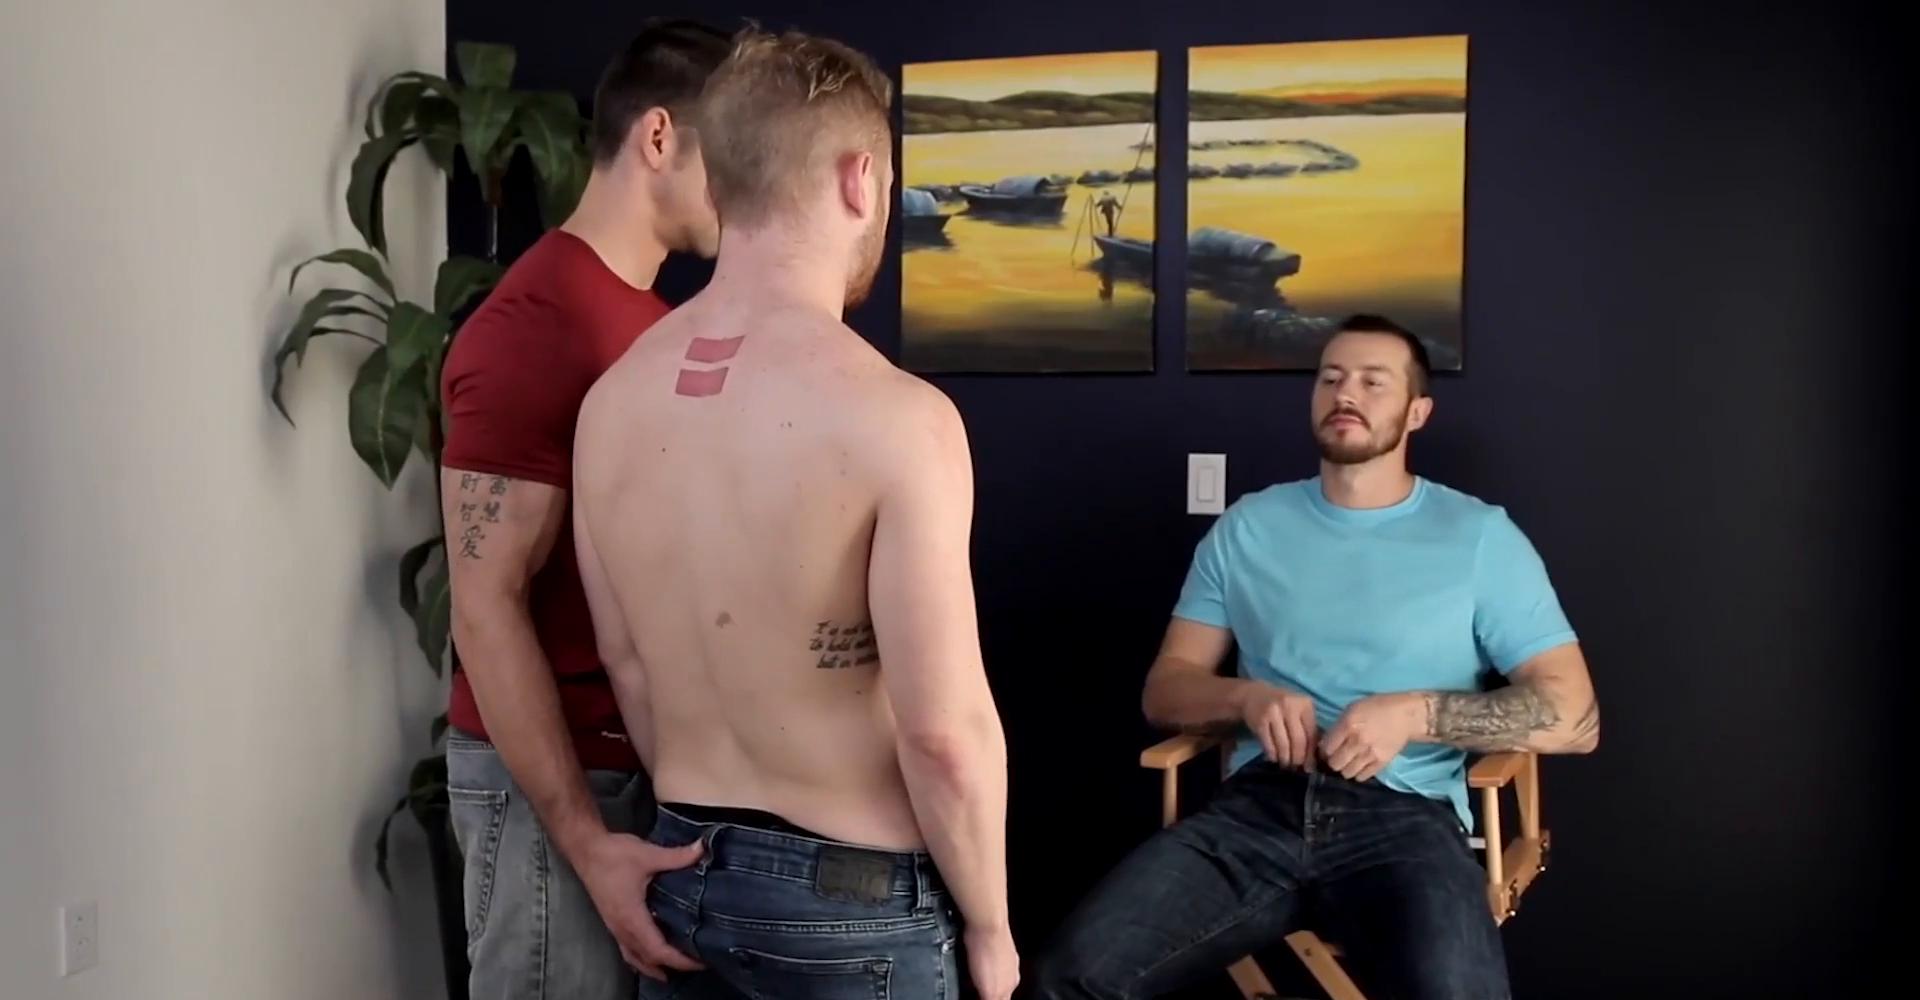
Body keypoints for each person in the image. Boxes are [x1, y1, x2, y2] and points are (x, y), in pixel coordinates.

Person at [570, 27, 1018, 1000]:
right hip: (853, 906)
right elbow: (943, 733)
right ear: (862, 180)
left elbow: (629, 664)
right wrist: (991, 928)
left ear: (718, 180)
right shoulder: (900, 419)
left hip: (683, 878)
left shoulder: (610, 405)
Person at [1030, 316, 1600, 1000]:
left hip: (1405, 820)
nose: (1345, 394)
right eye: (1331, 379)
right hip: (1255, 814)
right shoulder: (1248, 527)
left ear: (1417, 412)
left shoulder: (1480, 537)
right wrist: (1246, 699)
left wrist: (1414, 715)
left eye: (1372, 382)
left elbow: (1576, 716)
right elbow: (1166, 689)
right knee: (1067, 976)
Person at [437, 18, 734, 1000]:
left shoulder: (648, 321)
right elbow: (484, 602)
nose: (743, 187)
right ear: (659, 137)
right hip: (556, 789)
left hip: (632, 771)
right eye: (728, 155)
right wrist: (584, 837)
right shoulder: (536, 325)